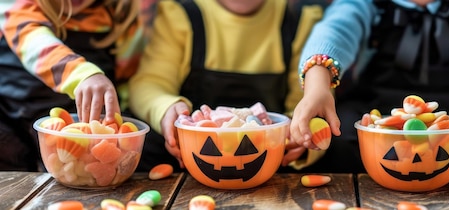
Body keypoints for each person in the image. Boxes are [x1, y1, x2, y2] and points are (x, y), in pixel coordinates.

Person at [286, 0, 449, 173]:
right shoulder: (369, 3)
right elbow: (335, 30)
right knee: (340, 135)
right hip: (377, 117)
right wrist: (318, 84)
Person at [128, 0, 330, 171]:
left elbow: (309, 96)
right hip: (191, 156)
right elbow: (149, 83)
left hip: (270, 157)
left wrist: (301, 132)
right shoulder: (181, 14)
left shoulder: (299, 19)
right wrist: (165, 109)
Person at [0, 0, 156, 171]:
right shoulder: (19, 7)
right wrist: (83, 74)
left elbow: (127, 77)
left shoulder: (118, 16)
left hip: (80, 136)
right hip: (12, 121)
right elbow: (34, 43)